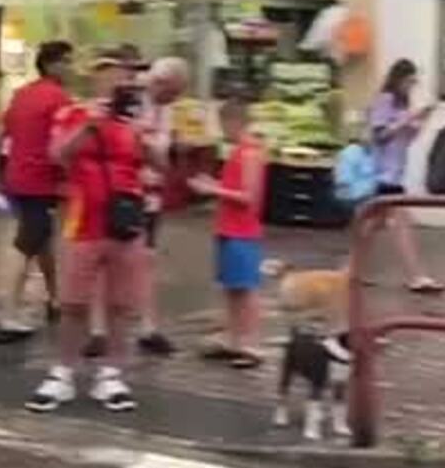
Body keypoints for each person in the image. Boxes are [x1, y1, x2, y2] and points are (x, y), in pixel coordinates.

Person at [25, 46, 147, 414]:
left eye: (120, 73)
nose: (113, 79)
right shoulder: (74, 112)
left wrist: (149, 136)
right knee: (73, 302)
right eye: (106, 71)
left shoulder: (133, 119)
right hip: (83, 218)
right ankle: (62, 372)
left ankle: (111, 373)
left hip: (125, 218)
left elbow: (158, 161)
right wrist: (90, 125)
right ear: (95, 76)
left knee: (120, 303)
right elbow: (58, 154)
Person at [87, 54, 186, 358]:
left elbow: (162, 148)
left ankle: (147, 327)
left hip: (149, 194)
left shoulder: (164, 108)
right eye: (172, 93)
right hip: (118, 191)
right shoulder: (127, 99)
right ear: (160, 82)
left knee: (146, 259)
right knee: (105, 260)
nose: (173, 100)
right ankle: (98, 331)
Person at [0, 40, 75, 342]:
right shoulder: (59, 99)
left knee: (40, 237)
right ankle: (8, 312)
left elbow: (3, 136)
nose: (71, 67)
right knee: (27, 242)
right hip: (42, 181)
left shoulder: (21, 95)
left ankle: (54, 299)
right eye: (67, 61)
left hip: (17, 178)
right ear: (51, 64)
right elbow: (63, 147)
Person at [191, 99, 269, 368]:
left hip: (242, 230)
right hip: (227, 227)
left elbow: (249, 196)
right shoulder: (238, 151)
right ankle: (235, 337)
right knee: (232, 287)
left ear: (233, 122)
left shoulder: (249, 152)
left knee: (246, 288)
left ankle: (252, 343)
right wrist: (216, 185)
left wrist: (213, 191)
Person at [364, 59, 441, 292]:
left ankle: (351, 268)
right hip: (382, 174)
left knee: (372, 224)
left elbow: (406, 140)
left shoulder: (401, 104)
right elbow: (380, 136)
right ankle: (416, 275)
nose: (411, 86)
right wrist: (407, 119)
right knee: (402, 223)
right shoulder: (385, 100)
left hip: (394, 173)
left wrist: (423, 119)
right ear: (398, 79)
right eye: (409, 81)